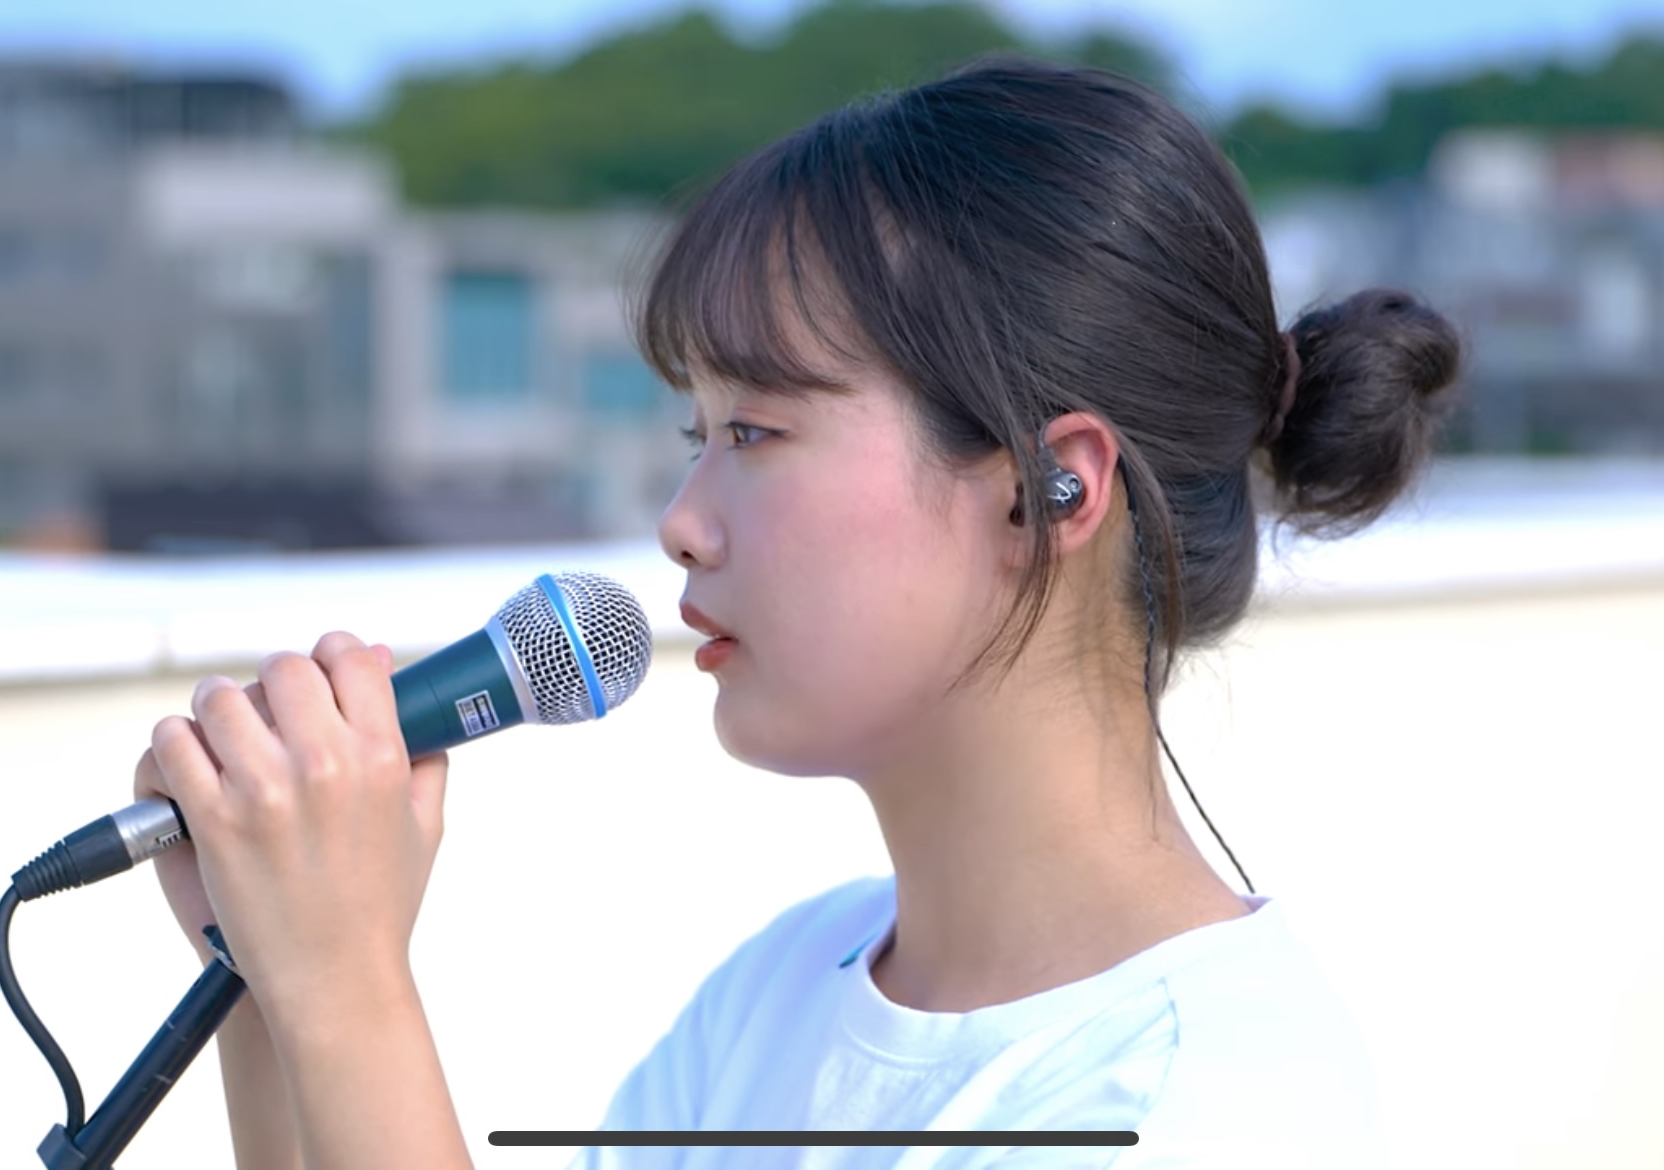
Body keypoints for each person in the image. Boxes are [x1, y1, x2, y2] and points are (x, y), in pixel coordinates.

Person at [134, 55, 1459, 1169]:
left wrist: (351, 994)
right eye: (694, 434)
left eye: (754, 432)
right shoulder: (786, 984)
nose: (681, 521)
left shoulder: (1201, 1107)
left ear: (1047, 488)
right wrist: (267, 972)